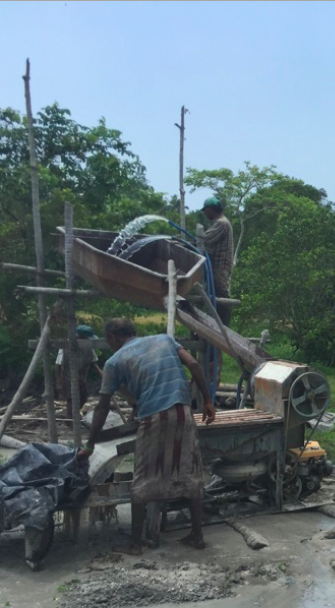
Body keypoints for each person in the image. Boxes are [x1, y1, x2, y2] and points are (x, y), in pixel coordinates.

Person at [79, 318, 216, 554]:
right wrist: (207, 400)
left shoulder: (114, 361)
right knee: (191, 471)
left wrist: (90, 444)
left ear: (112, 338)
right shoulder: (164, 339)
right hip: (183, 411)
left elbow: (102, 407)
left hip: (154, 417)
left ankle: (135, 543)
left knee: (142, 478)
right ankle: (197, 535)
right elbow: (193, 364)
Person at [201, 195, 234, 327]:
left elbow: (204, 240)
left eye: (205, 210)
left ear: (211, 209)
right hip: (217, 269)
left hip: (219, 269)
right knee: (214, 298)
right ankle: (217, 326)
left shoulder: (221, 223)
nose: (204, 213)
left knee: (220, 297)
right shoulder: (220, 223)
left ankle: (223, 328)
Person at [55, 324, 101, 417]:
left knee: (83, 399)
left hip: (81, 376)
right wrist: (59, 381)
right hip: (68, 376)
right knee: (71, 399)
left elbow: (93, 361)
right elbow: (58, 364)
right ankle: (70, 419)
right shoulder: (65, 346)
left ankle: (72, 415)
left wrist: (100, 372)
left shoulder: (88, 346)